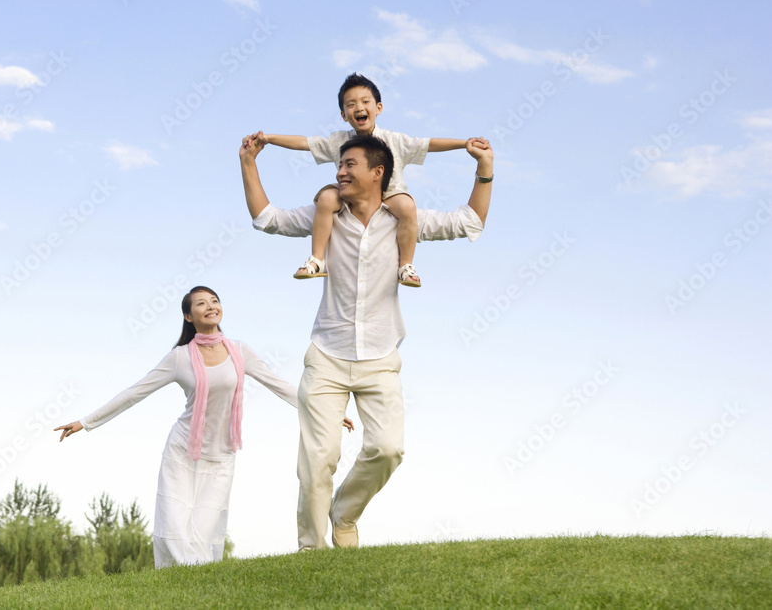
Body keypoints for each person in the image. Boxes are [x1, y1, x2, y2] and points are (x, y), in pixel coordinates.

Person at [239, 131, 493, 550]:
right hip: (326, 357)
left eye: (348, 166)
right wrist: (249, 163)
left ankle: (345, 512)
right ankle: (311, 551)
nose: (339, 173)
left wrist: (484, 171)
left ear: (378, 173)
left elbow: (469, 221)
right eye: (338, 166)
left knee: (388, 449)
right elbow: (268, 218)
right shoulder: (326, 215)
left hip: (380, 357)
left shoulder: (403, 220)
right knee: (318, 461)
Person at [54, 286, 353, 568]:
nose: (211, 306)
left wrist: (325, 412)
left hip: (221, 453)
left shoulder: (239, 351)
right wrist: (85, 422)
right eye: (201, 303)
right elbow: (135, 392)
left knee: (204, 525)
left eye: (214, 301)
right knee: (174, 523)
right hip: (182, 450)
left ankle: (196, 575)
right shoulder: (179, 358)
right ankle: (183, 580)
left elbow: (280, 385)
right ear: (188, 316)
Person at [259, 72, 488, 286]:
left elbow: (429, 144)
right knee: (327, 198)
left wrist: (463, 144)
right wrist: (269, 138)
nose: (359, 107)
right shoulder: (338, 140)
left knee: (407, 205)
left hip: (389, 198)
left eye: (365, 102)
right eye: (351, 104)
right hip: (351, 199)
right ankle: (317, 259)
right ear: (343, 115)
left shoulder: (395, 140)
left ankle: (405, 265)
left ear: (378, 107)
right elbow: (304, 143)